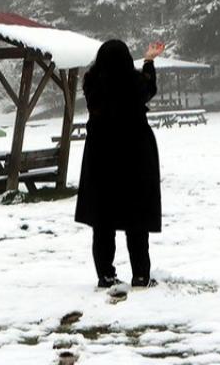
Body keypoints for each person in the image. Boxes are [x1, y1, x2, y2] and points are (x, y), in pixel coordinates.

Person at [74, 38, 165, 288]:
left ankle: (105, 275)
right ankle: (141, 275)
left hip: (101, 159)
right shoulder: (134, 84)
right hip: (134, 157)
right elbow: (149, 88)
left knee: (103, 221)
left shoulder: (92, 84)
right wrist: (148, 61)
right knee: (137, 218)